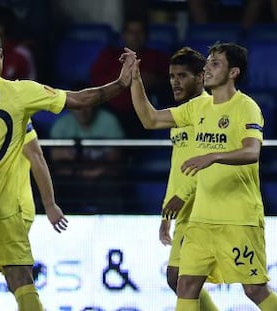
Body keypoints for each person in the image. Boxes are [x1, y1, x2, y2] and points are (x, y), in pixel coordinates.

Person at [0, 26, 135, 311]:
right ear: (0, 57)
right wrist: (120, 84)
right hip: (1, 207)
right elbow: (81, 99)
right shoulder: (21, 92)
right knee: (21, 282)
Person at [129, 42, 277, 310]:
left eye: (215, 63)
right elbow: (150, 119)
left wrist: (213, 156)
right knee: (184, 284)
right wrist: (135, 79)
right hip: (200, 220)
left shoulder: (246, 106)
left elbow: (252, 151)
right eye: (207, 62)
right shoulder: (196, 109)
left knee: (254, 289)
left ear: (233, 72)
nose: (207, 68)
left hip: (238, 217)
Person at [0, 121, 67, 311]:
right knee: (10, 279)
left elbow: (37, 158)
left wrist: (50, 205)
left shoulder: (17, 115)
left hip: (15, 212)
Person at [157, 47, 219, 310]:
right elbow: (177, 168)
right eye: (172, 76)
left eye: (182, 75)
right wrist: (165, 216)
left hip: (204, 207)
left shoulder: (209, 111)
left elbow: (209, 164)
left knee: (182, 280)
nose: (175, 82)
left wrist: (182, 196)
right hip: (184, 211)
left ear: (201, 77)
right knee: (177, 280)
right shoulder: (180, 115)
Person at [90, 15, 170, 138]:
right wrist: (123, 81)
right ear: (123, 35)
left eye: (140, 32)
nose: (135, 37)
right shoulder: (109, 56)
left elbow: (172, 81)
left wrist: (155, 81)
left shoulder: (157, 58)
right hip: (112, 111)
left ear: (147, 36)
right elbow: (95, 80)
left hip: (141, 114)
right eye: (131, 32)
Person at [49, 106, 125, 213]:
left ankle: (111, 223)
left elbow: (116, 156)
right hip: (72, 175)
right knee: (62, 185)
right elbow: (56, 156)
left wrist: (96, 172)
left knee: (109, 185)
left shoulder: (109, 121)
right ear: (71, 109)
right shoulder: (62, 124)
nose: (82, 112)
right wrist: (79, 172)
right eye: (78, 108)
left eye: (86, 107)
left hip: (102, 174)